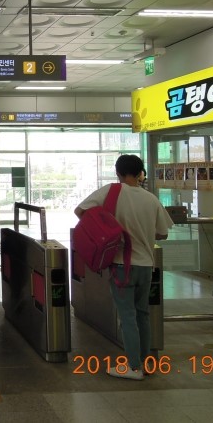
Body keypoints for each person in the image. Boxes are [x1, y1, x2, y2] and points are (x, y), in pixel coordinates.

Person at [74, 154, 173, 381]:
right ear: (140, 173)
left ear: (117, 172)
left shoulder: (111, 191)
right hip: (146, 266)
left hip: (122, 266)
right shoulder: (151, 199)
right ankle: (146, 363)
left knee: (127, 316)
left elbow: (80, 211)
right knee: (142, 315)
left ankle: (133, 367)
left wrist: (107, 227)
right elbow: (163, 233)